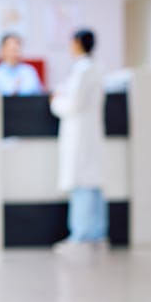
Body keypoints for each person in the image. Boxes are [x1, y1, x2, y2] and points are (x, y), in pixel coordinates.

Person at [49, 28, 108, 257]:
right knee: (92, 182)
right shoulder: (93, 67)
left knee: (82, 183)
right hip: (89, 133)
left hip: (80, 135)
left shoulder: (83, 70)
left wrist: (55, 102)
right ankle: (96, 233)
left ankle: (81, 235)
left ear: (77, 43)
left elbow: (72, 104)